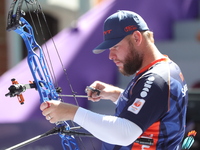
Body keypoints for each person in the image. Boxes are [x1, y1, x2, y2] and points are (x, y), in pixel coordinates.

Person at [40, 10, 188, 150]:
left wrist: (70, 112)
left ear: (137, 38)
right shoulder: (165, 69)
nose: (111, 56)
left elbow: (124, 134)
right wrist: (116, 94)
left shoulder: (156, 80)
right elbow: (152, 108)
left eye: (115, 46)